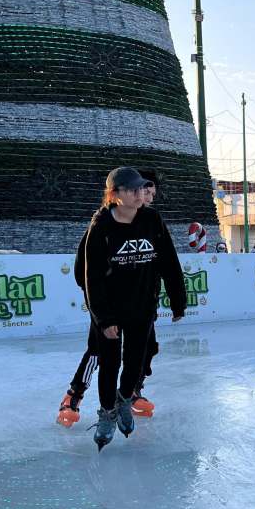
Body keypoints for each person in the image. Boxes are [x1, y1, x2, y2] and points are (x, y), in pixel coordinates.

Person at [82, 167, 186, 450]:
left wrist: (178, 301)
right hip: (110, 310)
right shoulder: (101, 226)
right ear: (115, 195)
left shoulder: (152, 219)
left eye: (141, 188)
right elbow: (90, 276)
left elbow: (169, 262)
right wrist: (103, 318)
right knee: (110, 364)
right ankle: (107, 413)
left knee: (135, 362)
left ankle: (125, 399)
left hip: (142, 306)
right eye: (132, 189)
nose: (140, 193)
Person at [58, 174, 163, 427]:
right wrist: (99, 305)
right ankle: (74, 394)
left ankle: (132, 391)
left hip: (141, 304)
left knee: (147, 348)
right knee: (98, 352)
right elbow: (84, 267)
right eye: (144, 193)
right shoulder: (103, 223)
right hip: (106, 306)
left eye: (150, 194)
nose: (147, 199)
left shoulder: (149, 224)